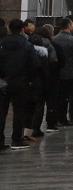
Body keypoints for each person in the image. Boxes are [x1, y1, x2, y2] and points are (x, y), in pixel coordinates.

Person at [0, 19, 42, 150]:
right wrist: (29, 79)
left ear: (9, 28)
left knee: (2, 111)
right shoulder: (27, 45)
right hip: (21, 82)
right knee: (19, 112)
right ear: (22, 29)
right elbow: (35, 64)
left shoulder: (2, 43)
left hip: (3, 82)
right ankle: (16, 139)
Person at [53, 18, 73, 126]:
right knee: (69, 96)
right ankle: (66, 117)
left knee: (59, 96)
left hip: (57, 72)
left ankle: (58, 117)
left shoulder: (54, 38)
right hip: (70, 73)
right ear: (70, 25)